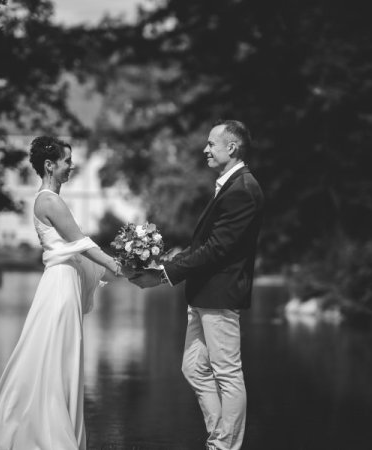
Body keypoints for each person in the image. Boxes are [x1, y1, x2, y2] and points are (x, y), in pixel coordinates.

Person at [0, 136, 124, 450]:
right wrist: (119, 266)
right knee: (56, 354)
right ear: (50, 165)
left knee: (59, 355)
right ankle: (47, 436)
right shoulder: (49, 200)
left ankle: (52, 430)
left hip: (63, 283)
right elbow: (81, 243)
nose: (71, 166)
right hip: (60, 287)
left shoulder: (51, 199)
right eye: (67, 161)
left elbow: (78, 246)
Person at [131, 120, 263, 450]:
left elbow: (218, 249)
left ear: (231, 148)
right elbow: (206, 243)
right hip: (204, 293)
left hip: (220, 293)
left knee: (228, 374)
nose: (205, 149)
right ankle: (220, 438)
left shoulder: (243, 189)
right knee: (193, 369)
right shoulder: (230, 185)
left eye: (211, 144)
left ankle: (223, 447)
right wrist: (163, 264)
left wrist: (164, 275)